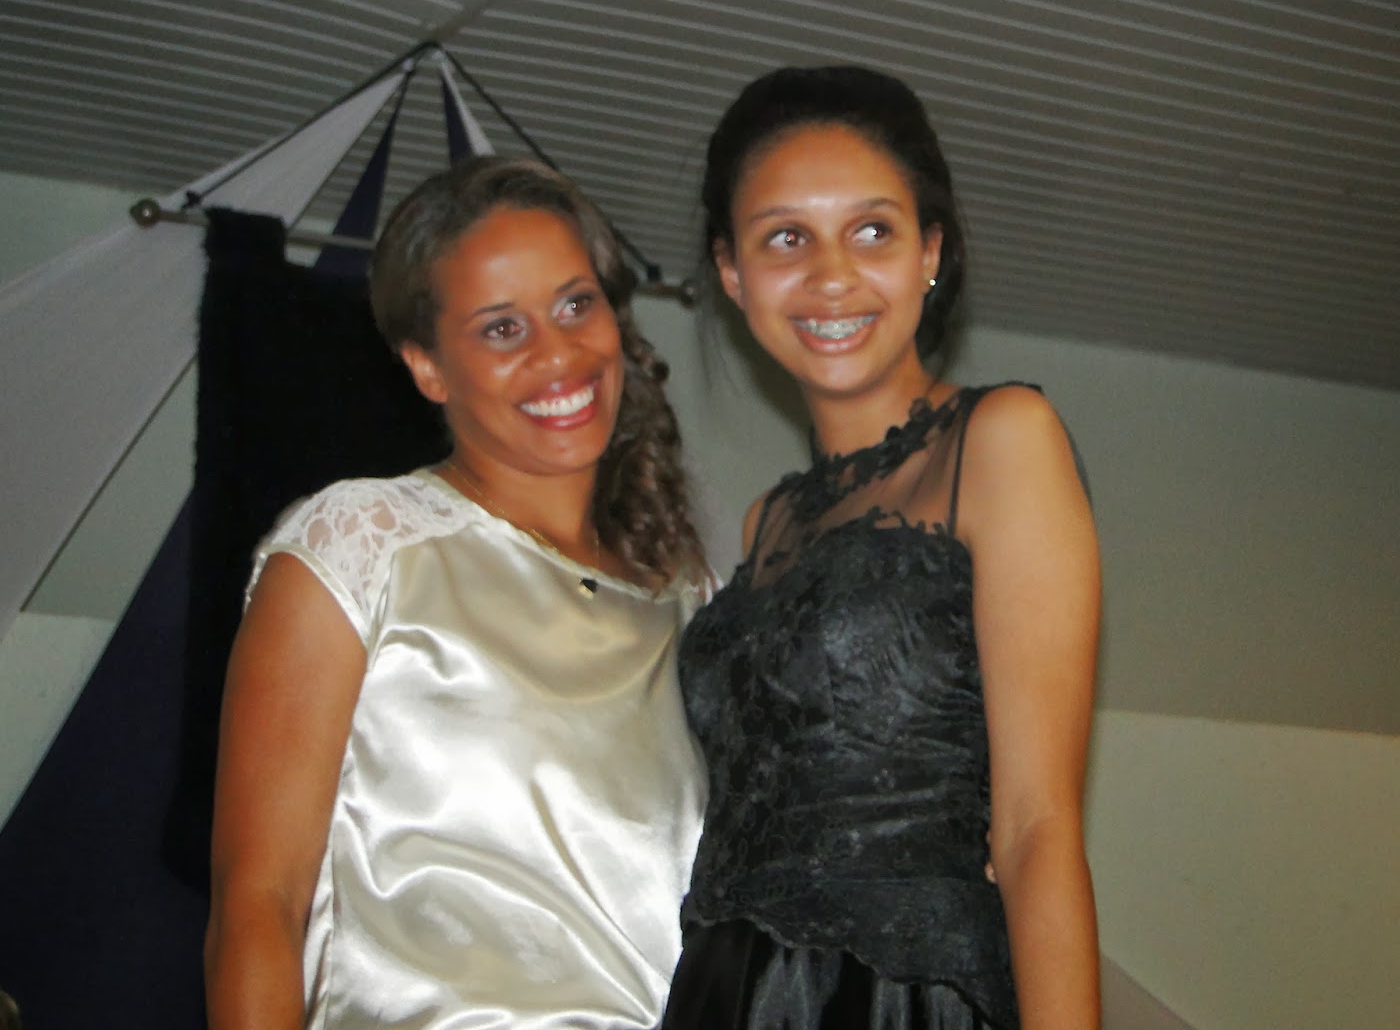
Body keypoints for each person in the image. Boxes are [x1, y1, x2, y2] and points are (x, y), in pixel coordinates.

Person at [204, 156, 708, 1030]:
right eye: (502, 328)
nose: (558, 352)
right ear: (428, 367)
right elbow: (260, 907)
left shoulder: (691, 597)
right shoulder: (358, 545)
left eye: (575, 305)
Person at [663, 66, 1102, 1030]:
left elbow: (1035, 826)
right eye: (786, 237)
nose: (832, 275)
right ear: (732, 273)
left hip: (897, 1000)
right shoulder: (767, 523)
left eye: (872, 231)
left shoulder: (1001, 439)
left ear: (930, 252)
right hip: (726, 993)